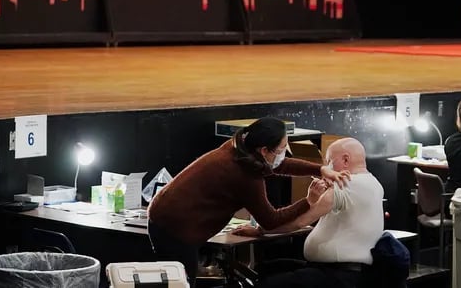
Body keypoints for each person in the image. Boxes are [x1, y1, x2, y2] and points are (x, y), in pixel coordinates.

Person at [146, 117, 350, 287]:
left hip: (167, 212)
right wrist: (308, 201)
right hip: (174, 225)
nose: (284, 152)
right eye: (280, 148)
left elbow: (278, 165)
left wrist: (320, 169)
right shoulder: (244, 174)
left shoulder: (241, 147)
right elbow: (270, 220)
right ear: (264, 150)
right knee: (180, 282)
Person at [240, 137, 386, 288]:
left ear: (346, 160)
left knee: (267, 283)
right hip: (339, 270)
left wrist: (260, 231)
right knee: (266, 268)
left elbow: (301, 221)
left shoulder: (345, 183)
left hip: (336, 275)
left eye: (329, 162)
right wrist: (313, 199)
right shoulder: (374, 184)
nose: (327, 168)